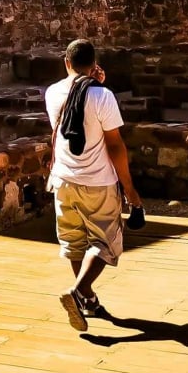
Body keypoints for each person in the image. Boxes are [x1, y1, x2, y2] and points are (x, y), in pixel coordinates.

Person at [45, 39, 142, 332]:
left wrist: (92, 84)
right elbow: (115, 146)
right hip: (97, 181)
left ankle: (86, 298)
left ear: (66, 62)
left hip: (63, 179)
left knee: (76, 243)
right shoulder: (102, 96)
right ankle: (76, 292)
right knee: (107, 243)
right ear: (94, 64)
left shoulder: (52, 93)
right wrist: (130, 189)